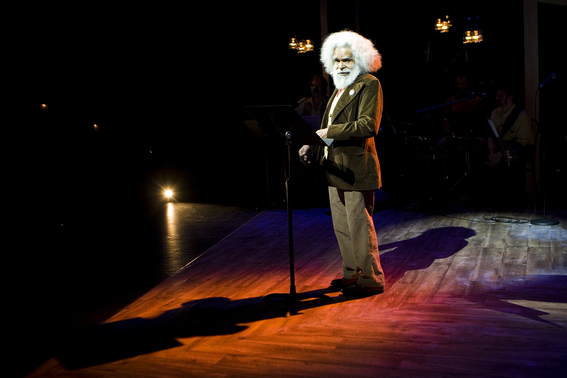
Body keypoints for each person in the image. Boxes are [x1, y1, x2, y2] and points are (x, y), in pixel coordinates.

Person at [298, 30, 385, 297]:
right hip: (334, 168)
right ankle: (352, 273)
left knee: (359, 226)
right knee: (342, 227)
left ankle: (371, 279)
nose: (340, 66)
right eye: (336, 61)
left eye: (346, 60)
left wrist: (329, 133)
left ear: (359, 59)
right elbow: (325, 129)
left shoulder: (369, 84)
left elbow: (368, 125)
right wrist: (310, 145)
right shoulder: (337, 90)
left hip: (356, 169)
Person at [485, 83, 534, 200]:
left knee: (514, 155)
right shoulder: (495, 113)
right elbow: (491, 136)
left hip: (521, 147)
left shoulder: (521, 116)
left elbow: (520, 142)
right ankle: (490, 195)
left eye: (500, 96)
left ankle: (514, 197)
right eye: (497, 95)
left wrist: (500, 154)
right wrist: (493, 154)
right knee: (479, 152)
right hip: (502, 145)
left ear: (510, 98)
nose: (497, 98)